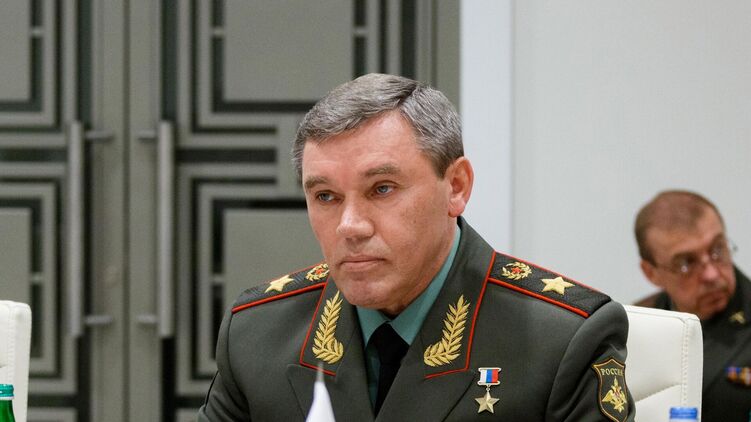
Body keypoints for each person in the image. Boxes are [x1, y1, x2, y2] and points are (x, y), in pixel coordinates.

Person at [198, 73, 634, 421]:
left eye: (382, 189)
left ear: (456, 186)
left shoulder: (562, 340)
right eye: (326, 196)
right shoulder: (258, 333)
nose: (350, 226)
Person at [634, 190, 751, 422]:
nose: (711, 274)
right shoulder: (633, 330)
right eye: (686, 263)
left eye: (717, 249)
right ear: (651, 273)